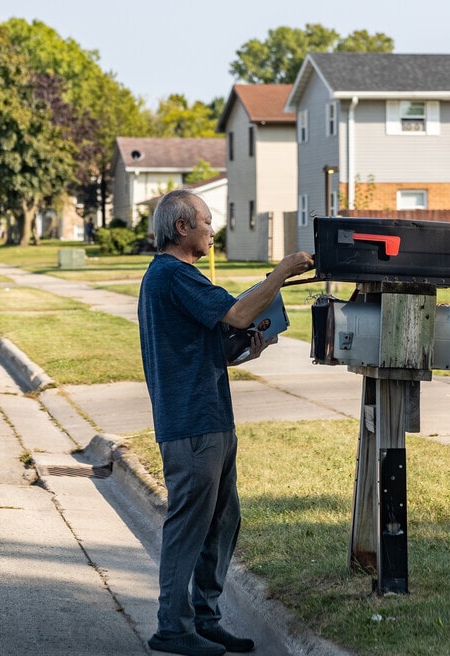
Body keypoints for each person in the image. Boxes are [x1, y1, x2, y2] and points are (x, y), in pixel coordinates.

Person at [138, 189, 313, 656]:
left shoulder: (175, 279)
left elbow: (207, 344)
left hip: (209, 416)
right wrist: (281, 272)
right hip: (192, 424)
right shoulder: (174, 275)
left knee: (222, 520)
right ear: (182, 227)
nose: (213, 230)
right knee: (189, 525)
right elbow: (236, 312)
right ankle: (172, 628)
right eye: (207, 222)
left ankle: (205, 618)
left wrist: (246, 348)